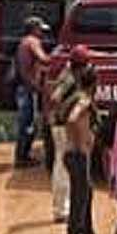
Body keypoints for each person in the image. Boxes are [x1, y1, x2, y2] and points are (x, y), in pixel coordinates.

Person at [48, 44, 92, 223]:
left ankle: (62, 207)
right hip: (63, 126)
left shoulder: (67, 74)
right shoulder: (70, 79)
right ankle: (60, 210)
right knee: (62, 166)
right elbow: (55, 97)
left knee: (62, 165)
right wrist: (67, 113)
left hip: (59, 124)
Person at [63, 65, 100, 234]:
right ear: (94, 84)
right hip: (77, 155)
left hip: (72, 154)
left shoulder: (77, 96)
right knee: (79, 197)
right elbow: (72, 118)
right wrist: (80, 144)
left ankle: (85, 231)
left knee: (86, 192)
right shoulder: (84, 100)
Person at [15, 16, 52, 168]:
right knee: (27, 123)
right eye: (40, 29)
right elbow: (43, 59)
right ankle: (22, 157)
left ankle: (23, 155)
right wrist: (60, 57)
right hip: (27, 88)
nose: (42, 33)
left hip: (25, 87)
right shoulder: (32, 41)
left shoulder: (23, 42)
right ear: (34, 29)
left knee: (27, 122)